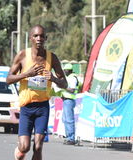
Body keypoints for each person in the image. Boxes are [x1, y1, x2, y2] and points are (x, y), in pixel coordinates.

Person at [6, 25, 67, 160]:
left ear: (46, 38)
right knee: (25, 147)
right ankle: (19, 152)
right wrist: (27, 73)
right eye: (35, 36)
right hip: (26, 108)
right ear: (30, 38)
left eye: (41, 36)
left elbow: (65, 83)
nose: (39, 39)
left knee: (38, 147)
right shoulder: (22, 55)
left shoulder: (52, 58)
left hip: (42, 107)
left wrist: (53, 78)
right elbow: (9, 79)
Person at [61, 63, 79, 145]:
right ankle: (68, 137)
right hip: (66, 99)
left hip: (69, 100)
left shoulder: (73, 78)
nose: (64, 71)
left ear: (69, 70)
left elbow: (72, 90)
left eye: (65, 70)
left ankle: (71, 138)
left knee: (69, 120)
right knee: (65, 119)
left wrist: (63, 87)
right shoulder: (69, 77)